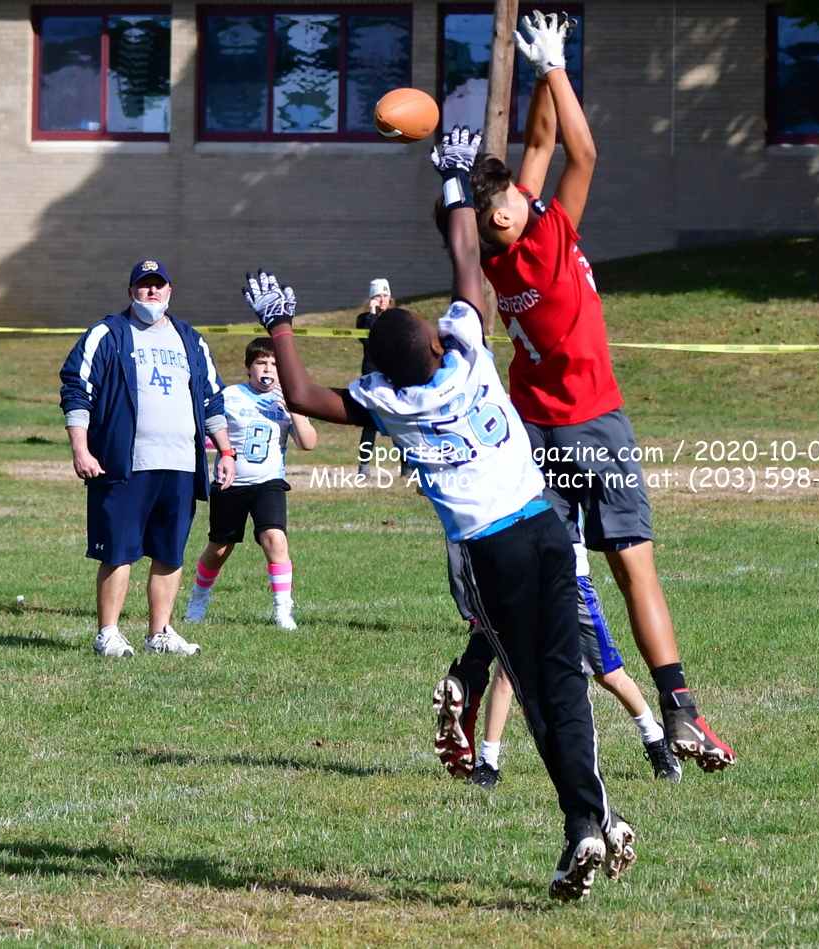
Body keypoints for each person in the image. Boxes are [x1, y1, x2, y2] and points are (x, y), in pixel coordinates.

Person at [240, 127, 635, 901]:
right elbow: (464, 258)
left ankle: (585, 821)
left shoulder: (387, 401)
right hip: (544, 526)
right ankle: (593, 815)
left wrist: (281, 323)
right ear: (431, 341)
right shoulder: (469, 354)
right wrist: (453, 177)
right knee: (564, 679)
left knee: (534, 689)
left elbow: (303, 396)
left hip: (493, 551)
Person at [434, 11, 735, 772]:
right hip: (592, 423)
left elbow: (537, 148)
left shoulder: (495, 256)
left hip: (531, 430)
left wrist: (538, 78)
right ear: (506, 213)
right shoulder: (546, 237)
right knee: (634, 567)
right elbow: (579, 149)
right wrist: (557, 68)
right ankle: (679, 706)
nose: (525, 192)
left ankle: (471, 670)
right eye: (513, 197)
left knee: (534, 568)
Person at [60, 259, 235, 658]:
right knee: (118, 551)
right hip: (125, 463)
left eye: (159, 285)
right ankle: (108, 633)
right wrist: (81, 448)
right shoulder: (108, 334)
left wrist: (225, 451)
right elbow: (76, 389)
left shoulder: (191, 339)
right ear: (131, 292)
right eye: (144, 285)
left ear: (170, 291)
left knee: (169, 552)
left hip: (180, 463)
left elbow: (212, 399)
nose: (152, 292)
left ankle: (160, 633)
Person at [468, 537, 681, 790]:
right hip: (525, 579)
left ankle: (654, 737)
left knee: (609, 675)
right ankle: (488, 762)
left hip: (572, 579)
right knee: (507, 673)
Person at [183, 337, 317, 629]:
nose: (267, 368)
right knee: (220, 547)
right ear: (248, 367)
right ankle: (199, 597)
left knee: (275, 538)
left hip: (268, 482)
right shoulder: (230, 395)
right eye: (261, 363)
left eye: (274, 364)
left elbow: (308, 443)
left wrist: (294, 411)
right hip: (230, 483)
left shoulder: (289, 399)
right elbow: (205, 426)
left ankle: (283, 609)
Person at [355, 278, 393, 476]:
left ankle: (406, 467)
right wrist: (372, 312)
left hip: (392, 375)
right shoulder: (364, 318)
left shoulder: (395, 318)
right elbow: (365, 337)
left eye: (385, 295)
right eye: (378, 295)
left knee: (398, 421)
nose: (382, 299)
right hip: (371, 375)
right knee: (370, 423)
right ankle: (364, 467)